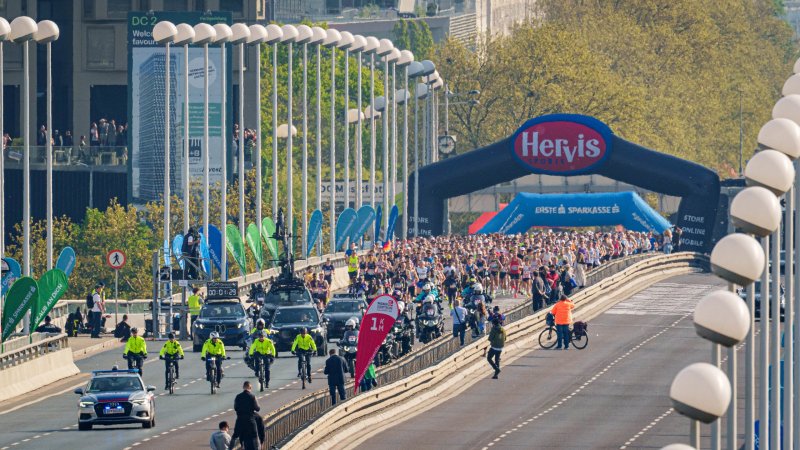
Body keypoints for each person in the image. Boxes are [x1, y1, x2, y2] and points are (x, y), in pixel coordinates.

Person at [231, 381, 261, 450]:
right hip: (250, 420)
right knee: (255, 437)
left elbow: (235, 408)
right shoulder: (252, 397)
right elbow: (257, 408)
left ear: (243, 387)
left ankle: (230, 448)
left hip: (240, 420)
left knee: (235, 436)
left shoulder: (238, 396)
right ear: (250, 387)